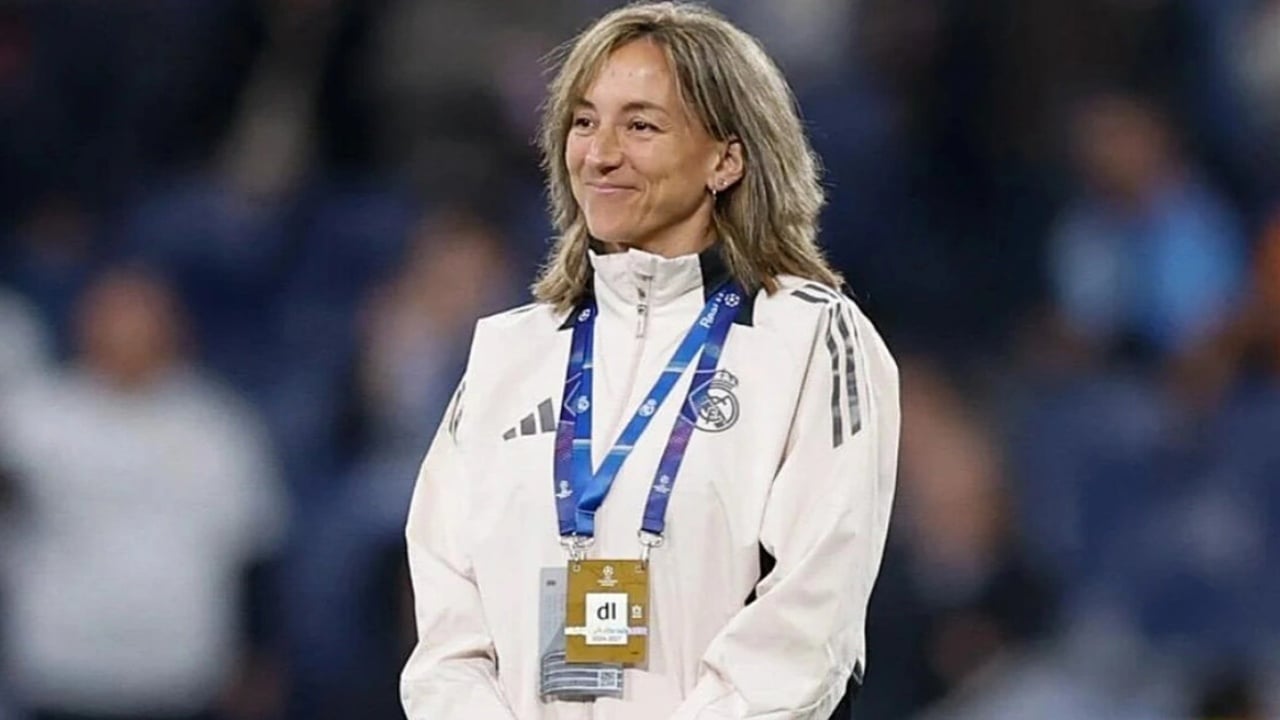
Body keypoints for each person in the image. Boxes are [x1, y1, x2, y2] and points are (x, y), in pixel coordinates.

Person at [399, 3, 900, 718]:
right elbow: (447, 636)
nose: (599, 154)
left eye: (640, 126)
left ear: (727, 159)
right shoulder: (512, 352)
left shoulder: (809, 340)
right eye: (583, 121)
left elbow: (804, 635)